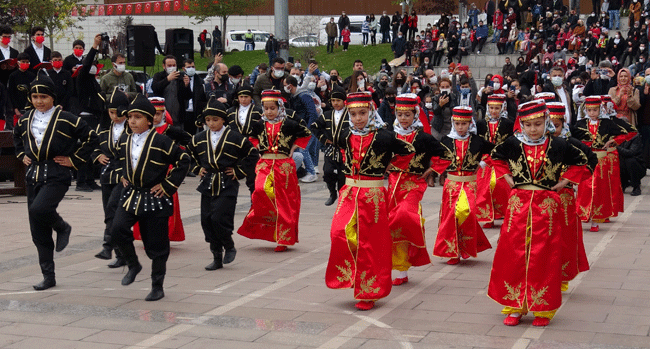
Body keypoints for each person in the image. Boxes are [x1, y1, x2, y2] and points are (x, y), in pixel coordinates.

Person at [488, 99, 595, 327]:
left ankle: (543, 308)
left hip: (547, 205)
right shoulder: (512, 144)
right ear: (522, 125)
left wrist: (564, 182)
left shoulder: (558, 145)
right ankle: (515, 306)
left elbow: (585, 161)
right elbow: (495, 157)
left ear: (546, 121)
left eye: (538, 124)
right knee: (513, 254)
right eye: (528, 125)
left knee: (544, 255)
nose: (533, 129)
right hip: (518, 205)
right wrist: (506, 178)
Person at [325, 91, 414, 311]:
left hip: (373, 196)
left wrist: (387, 166)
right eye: (353, 114)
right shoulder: (345, 134)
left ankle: (368, 291)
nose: (358, 118)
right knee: (339, 232)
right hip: (349, 192)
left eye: (362, 113)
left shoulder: (383, 136)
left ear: (371, 111)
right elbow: (334, 147)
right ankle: (351, 274)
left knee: (371, 244)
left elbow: (408, 150)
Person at [13, 71, 97, 290]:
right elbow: (17, 139)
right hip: (33, 175)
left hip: (56, 173)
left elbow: (91, 137)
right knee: (37, 229)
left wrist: (74, 159)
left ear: (52, 97)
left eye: (43, 97)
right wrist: (22, 154)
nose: (39, 101)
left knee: (40, 209)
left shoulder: (66, 118)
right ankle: (48, 276)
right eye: (35, 97)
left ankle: (62, 227)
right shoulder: (24, 119)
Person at [109, 94, 190, 301]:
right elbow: (118, 158)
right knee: (117, 229)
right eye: (130, 117)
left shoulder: (162, 141)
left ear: (149, 119)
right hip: (132, 194)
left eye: (137, 117)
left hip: (155, 197)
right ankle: (133, 264)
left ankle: (157, 285)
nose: (132, 121)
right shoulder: (124, 139)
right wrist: (122, 174)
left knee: (157, 245)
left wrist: (168, 185)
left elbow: (183, 160)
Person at [187, 98, 258, 270]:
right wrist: (196, 168)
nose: (211, 123)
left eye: (215, 120)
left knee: (219, 218)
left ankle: (229, 244)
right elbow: (187, 155)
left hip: (227, 182)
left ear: (223, 120)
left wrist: (238, 171)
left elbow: (252, 155)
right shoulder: (199, 138)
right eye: (208, 120)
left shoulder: (235, 138)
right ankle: (216, 257)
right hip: (207, 182)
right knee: (207, 220)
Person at [237, 90, 312, 252]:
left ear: (280, 108)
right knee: (260, 191)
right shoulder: (258, 124)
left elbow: (306, 133)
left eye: (272, 108)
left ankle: (283, 238)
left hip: (284, 166)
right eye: (266, 108)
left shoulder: (289, 124)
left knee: (284, 201)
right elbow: (251, 137)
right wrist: (257, 148)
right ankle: (264, 225)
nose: (269, 112)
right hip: (264, 164)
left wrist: (293, 148)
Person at [388, 94, 444, 285]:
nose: (403, 118)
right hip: (392, 184)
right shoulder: (390, 135)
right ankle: (400, 271)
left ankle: (413, 247)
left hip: (413, 184)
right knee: (391, 225)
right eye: (400, 114)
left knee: (404, 215)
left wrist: (432, 169)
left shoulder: (424, 138)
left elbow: (445, 154)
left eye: (407, 114)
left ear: (416, 115)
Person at [431, 106, 494, 265]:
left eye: (464, 123)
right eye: (458, 123)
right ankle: (453, 251)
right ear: (453, 123)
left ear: (470, 123)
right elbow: (435, 157)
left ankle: (464, 247)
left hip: (470, 184)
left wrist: (482, 163)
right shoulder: (446, 141)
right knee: (451, 216)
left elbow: (496, 151)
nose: (460, 127)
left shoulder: (477, 141)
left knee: (466, 212)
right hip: (451, 185)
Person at [547, 102, 596, 292]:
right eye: (549, 126)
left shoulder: (572, 144)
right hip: (542, 197)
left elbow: (591, 160)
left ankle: (562, 275)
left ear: (563, 123)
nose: (552, 130)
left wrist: (569, 180)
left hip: (565, 198)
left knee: (564, 237)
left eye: (556, 126)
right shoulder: (540, 144)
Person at [573, 96, 628, 232]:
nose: (592, 113)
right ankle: (583, 214)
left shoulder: (607, 123)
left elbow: (625, 133)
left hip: (602, 162)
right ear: (585, 110)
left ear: (600, 109)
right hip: (587, 161)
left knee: (599, 189)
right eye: (589, 110)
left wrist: (613, 142)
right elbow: (572, 139)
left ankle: (597, 218)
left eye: (595, 110)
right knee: (585, 188)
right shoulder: (580, 124)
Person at [92, 87, 130, 267]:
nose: (114, 116)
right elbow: (92, 145)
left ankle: (107, 246)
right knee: (109, 214)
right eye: (111, 112)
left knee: (115, 209)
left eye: (118, 112)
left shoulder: (131, 127)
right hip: (106, 175)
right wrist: (96, 155)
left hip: (124, 176)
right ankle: (121, 254)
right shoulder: (103, 127)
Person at [475, 94, 514, 228]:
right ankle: (488, 216)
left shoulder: (508, 124)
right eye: (491, 108)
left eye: (497, 108)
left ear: (502, 108)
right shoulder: (480, 124)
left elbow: (510, 143)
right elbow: (479, 143)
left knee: (502, 187)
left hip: (501, 159)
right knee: (484, 188)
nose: (494, 111)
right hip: (485, 161)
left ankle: (506, 214)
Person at [73, 34, 104, 192]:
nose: (93, 66)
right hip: (85, 117)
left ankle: (90, 180)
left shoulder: (94, 82)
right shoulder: (82, 78)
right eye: (92, 63)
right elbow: (85, 66)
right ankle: (81, 182)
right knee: (85, 149)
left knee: (93, 149)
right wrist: (94, 47)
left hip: (95, 117)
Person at [311, 86, 349, 206]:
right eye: (333, 101)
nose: (335, 103)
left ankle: (342, 197)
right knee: (328, 172)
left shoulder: (350, 114)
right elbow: (314, 127)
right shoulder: (326, 115)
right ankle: (332, 193)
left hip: (345, 150)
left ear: (344, 101)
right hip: (330, 149)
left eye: (338, 100)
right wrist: (324, 139)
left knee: (343, 175)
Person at [226, 86, 262, 194]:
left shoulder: (258, 111)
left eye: (246, 96)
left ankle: (254, 202)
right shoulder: (231, 111)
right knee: (231, 175)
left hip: (251, 146)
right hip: (234, 146)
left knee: (252, 176)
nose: (243, 99)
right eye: (241, 97)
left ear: (251, 97)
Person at [284, 75, 319, 182]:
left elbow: (312, 113)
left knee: (303, 149)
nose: (284, 88)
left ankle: (311, 172)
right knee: (306, 149)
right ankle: (311, 169)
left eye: (285, 85)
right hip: (303, 127)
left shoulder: (303, 96)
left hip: (308, 127)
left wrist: (308, 128)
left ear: (290, 86)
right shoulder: (295, 96)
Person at [151, 55, 184, 124]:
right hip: (162, 114)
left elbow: (187, 95)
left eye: (174, 65)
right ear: (164, 66)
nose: (172, 67)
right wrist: (167, 79)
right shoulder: (158, 76)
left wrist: (186, 85)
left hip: (178, 115)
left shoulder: (181, 76)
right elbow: (155, 88)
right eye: (169, 65)